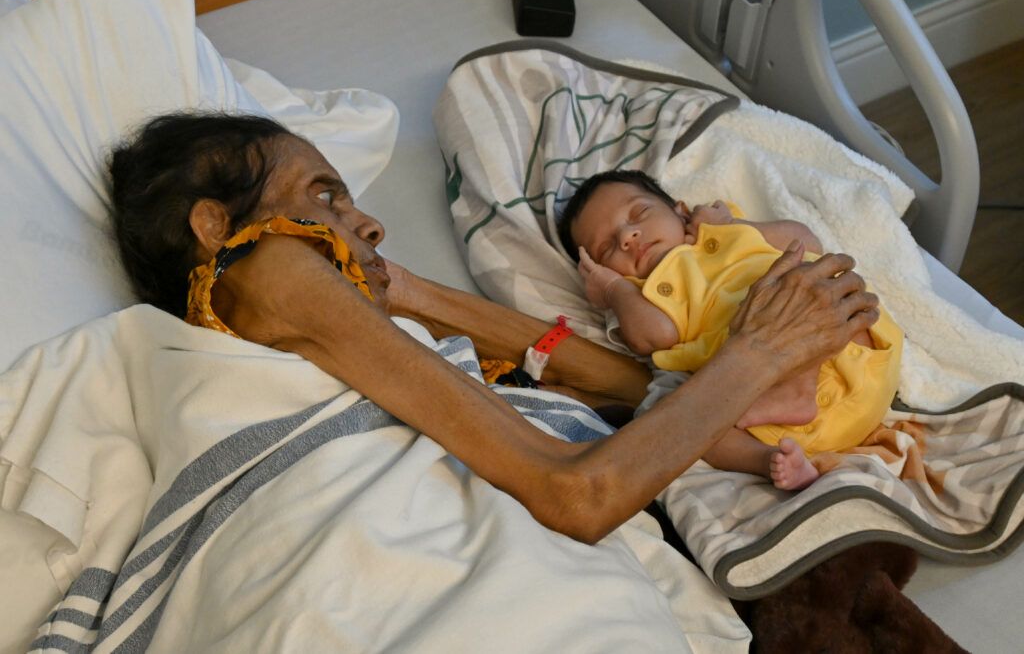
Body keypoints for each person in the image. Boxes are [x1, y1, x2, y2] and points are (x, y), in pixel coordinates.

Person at [109, 112, 880, 542]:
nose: (368, 221)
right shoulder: (259, 268)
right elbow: (580, 492)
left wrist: (406, 291)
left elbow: (637, 387)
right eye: (326, 196)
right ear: (216, 225)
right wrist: (760, 352)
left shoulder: (296, 320)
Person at [557, 169, 903, 490]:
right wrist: (616, 291)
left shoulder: (725, 233)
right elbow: (657, 336)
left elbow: (804, 241)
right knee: (688, 420)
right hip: (771, 416)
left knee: (811, 280)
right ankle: (774, 462)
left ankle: (798, 388)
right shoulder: (639, 295)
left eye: (639, 215)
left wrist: (735, 225)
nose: (628, 237)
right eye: (608, 248)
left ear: (680, 211)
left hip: (851, 356)